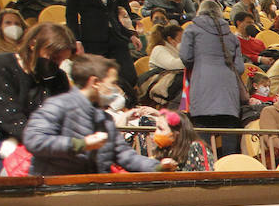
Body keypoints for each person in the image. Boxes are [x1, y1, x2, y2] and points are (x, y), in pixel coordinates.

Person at [23, 53, 169, 174]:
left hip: (92, 190)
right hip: (57, 191)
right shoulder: (58, 105)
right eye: (112, 83)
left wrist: (157, 167)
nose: (116, 89)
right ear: (95, 82)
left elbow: (125, 155)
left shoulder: (103, 118)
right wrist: (80, 144)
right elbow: (34, 140)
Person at [0, 21, 74, 175]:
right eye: (53, 58)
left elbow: (64, 117)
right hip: (0, 139)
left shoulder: (58, 77)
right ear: (33, 45)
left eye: (61, 61)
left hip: (45, 142)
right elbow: (9, 117)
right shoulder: (0, 65)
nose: (57, 64)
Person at [179, 0, 246, 129]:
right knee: (229, 134)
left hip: (201, 88)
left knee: (204, 137)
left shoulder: (191, 29)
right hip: (229, 92)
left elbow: (186, 57)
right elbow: (239, 68)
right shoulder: (232, 36)